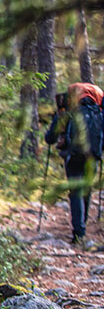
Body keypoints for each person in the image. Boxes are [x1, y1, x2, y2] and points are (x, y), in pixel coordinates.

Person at [44, 83, 104, 244]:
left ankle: (79, 232)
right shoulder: (99, 113)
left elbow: (50, 138)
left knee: (76, 191)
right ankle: (81, 226)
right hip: (93, 157)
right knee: (86, 189)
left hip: (73, 156)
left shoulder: (67, 112)